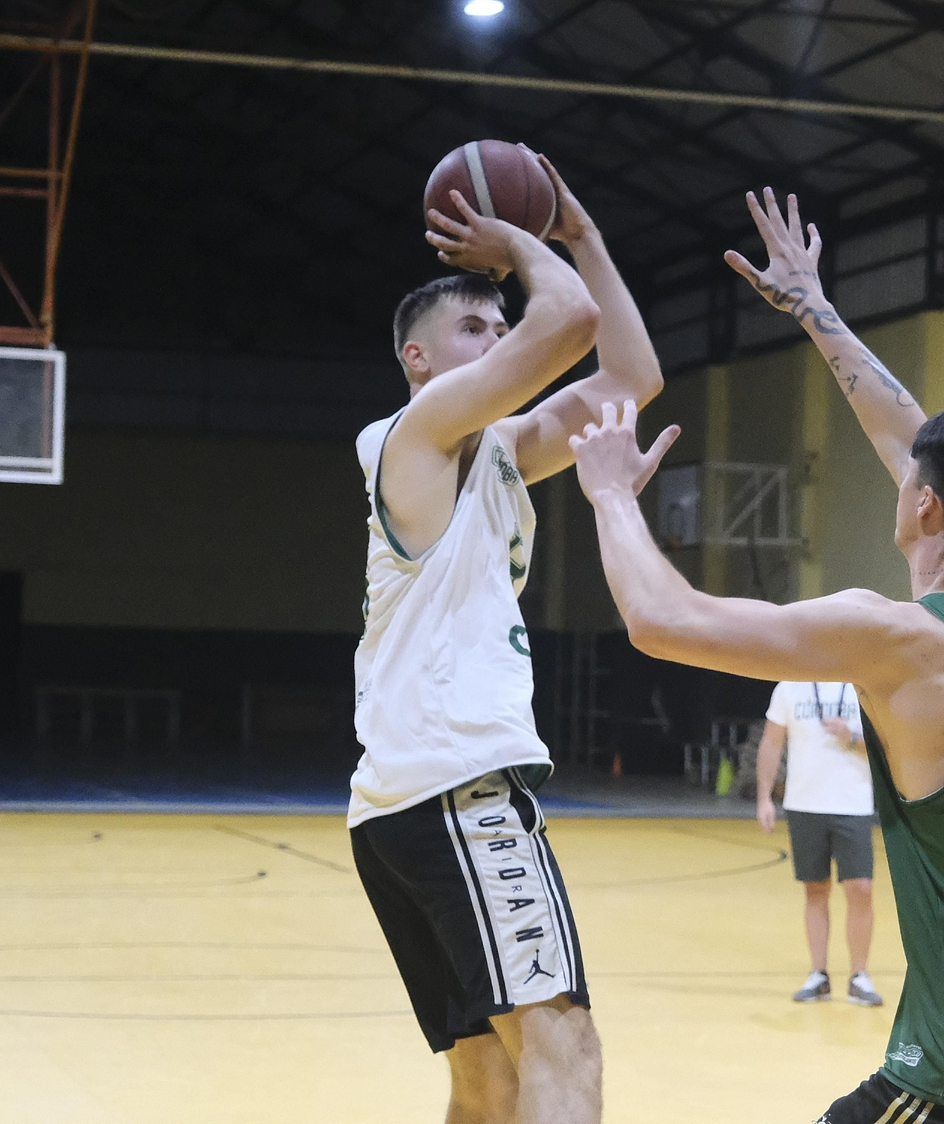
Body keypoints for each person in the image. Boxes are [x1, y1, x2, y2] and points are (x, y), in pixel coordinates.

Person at [566, 187, 944, 1123]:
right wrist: (814, 310)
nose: (900, 469)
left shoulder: (903, 638)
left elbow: (665, 621)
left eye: (913, 477)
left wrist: (611, 497)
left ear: (923, 507)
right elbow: (911, 435)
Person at [347, 154, 663, 1124]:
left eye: (497, 322)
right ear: (419, 358)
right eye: (473, 327)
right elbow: (563, 323)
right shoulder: (414, 433)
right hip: (457, 789)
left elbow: (630, 375)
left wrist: (583, 230)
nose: (498, 336)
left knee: (485, 1084)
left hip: (399, 804)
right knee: (563, 1050)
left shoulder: (498, 453)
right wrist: (523, 239)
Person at [754, 680, 884, 1006]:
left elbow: (886, 744)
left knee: (861, 888)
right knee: (815, 889)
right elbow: (771, 742)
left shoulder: (862, 684)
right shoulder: (789, 687)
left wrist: (851, 736)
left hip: (852, 803)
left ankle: (859, 976)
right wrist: (763, 798)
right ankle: (819, 974)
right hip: (804, 803)